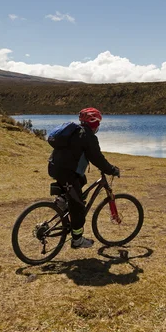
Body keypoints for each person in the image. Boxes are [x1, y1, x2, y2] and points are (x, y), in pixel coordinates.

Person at [48, 107, 120, 249]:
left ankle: (62, 200)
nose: (98, 126)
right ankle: (77, 240)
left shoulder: (74, 131)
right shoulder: (88, 137)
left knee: (82, 180)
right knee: (79, 207)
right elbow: (97, 158)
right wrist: (111, 169)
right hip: (66, 173)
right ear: (93, 123)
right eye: (98, 123)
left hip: (54, 167)